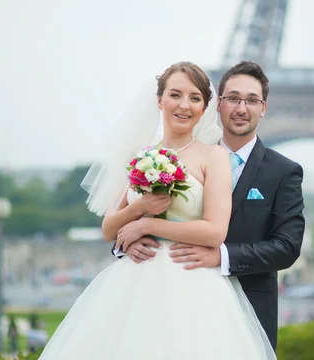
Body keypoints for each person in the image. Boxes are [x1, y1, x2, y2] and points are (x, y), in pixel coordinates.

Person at [38, 62, 277, 359]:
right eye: (175, 95)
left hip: (193, 286)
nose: (184, 105)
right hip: (137, 283)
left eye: (194, 98)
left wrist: (148, 226)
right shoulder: (141, 155)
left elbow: (215, 231)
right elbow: (109, 229)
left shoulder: (213, 157)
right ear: (159, 100)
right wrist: (139, 209)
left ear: (205, 108)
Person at [123, 61, 305, 348]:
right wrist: (127, 242)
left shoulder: (284, 172)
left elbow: (287, 247)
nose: (241, 108)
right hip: (170, 299)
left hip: (248, 308)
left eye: (251, 100)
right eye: (232, 98)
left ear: (264, 108)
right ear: (217, 105)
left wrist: (223, 256)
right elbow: (143, 210)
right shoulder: (182, 156)